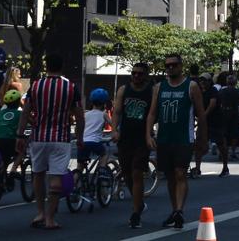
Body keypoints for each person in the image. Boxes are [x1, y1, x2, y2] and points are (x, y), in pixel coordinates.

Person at [18, 52, 84, 231]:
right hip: (60, 138)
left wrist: (20, 135)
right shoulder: (70, 87)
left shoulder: (36, 86)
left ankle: (39, 211)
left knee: (38, 174)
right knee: (56, 177)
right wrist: (79, 137)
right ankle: (50, 218)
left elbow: (26, 111)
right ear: (62, 67)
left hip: (38, 137)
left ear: (46, 66)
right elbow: (79, 115)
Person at [146, 53, 207, 230]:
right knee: (170, 176)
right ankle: (175, 211)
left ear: (181, 66)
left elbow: (201, 114)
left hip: (183, 139)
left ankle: (180, 210)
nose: (170, 68)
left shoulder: (191, 86)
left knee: (180, 173)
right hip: (164, 138)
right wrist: (148, 135)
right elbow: (152, 113)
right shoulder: (159, 87)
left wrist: (202, 138)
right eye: (168, 65)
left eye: (174, 65)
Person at [112, 63, 154, 229]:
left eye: (140, 74)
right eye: (134, 73)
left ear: (145, 76)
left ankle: (136, 213)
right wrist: (114, 130)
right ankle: (139, 202)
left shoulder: (151, 91)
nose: (136, 76)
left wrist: (150, 134)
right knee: (127, 174)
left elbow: (153, 113)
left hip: (142, 139)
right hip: (125, 138)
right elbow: (116, 112)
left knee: (137, 173)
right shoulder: (124, 90)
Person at [212, 72, 239, 176]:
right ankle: (233, 151)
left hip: (223, 113)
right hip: (234, 113)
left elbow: (217, 102)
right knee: (234, 133)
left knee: (224, 134)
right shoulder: (237, 91)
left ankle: (224, 151)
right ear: (235, 82)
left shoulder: (221, 91)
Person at [0, 89, 23, 187]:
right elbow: (29, 122)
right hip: (11, 139)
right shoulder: (20, 113)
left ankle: (1, 179)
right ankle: (13, 170)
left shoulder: (1, 113)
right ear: (19, 101)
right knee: (21, 152)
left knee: (4, 157)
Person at [78, 87, 110, 173]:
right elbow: (113, 126)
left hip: (83, 142)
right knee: (105, 154)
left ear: (92, 102)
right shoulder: (104, 114)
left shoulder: (85, 114)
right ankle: (102, 170)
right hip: (95, 142)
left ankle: (75, 182)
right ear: (104, 103)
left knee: (80, 167)